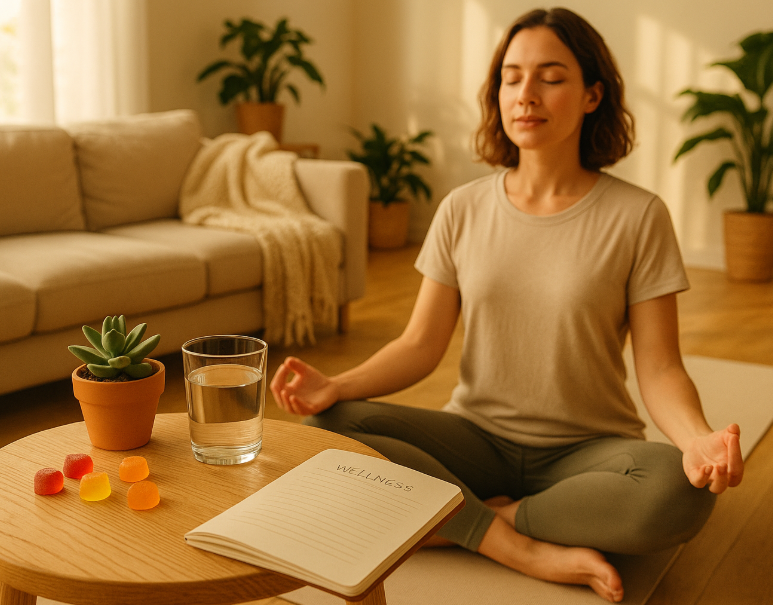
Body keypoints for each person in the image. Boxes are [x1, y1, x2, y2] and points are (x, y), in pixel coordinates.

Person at [270, 7, 743, 603]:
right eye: (512, 77)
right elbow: (420, 345)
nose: (527, 94)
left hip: (588, 453)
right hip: (476, 440)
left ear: (592, 95)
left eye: (551, 76)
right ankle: (514, 543)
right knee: (330, 430)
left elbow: (660, 368)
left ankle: (468, 520)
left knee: (679, 491)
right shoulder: (462, 208)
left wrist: (696, 439)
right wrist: (336, 385)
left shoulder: (638, 216)